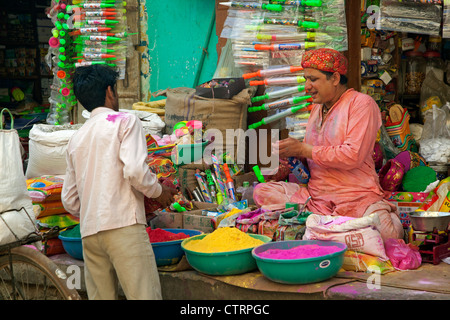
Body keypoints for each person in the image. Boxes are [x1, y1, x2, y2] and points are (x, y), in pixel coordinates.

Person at [253, 48, 403, 242]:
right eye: (306, 79)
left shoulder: (362, 104)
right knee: (261, 192)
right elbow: (313, 154)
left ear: (334, 78)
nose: (307, 86)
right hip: (317, 198)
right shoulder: (317, 108)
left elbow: (353, 155)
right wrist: (291, 158)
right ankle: (333, 227)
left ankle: (323, 227)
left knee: (389, 234)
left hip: (356, 197)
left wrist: (303, 149)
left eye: (313, 79)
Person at [61, 64, 177, 300]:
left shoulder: (76, 138)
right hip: (124, 226)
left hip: (90, 234)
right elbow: (135, 171)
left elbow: (70, 201)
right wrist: (159, 191)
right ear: (110, 92)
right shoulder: (125, 121)